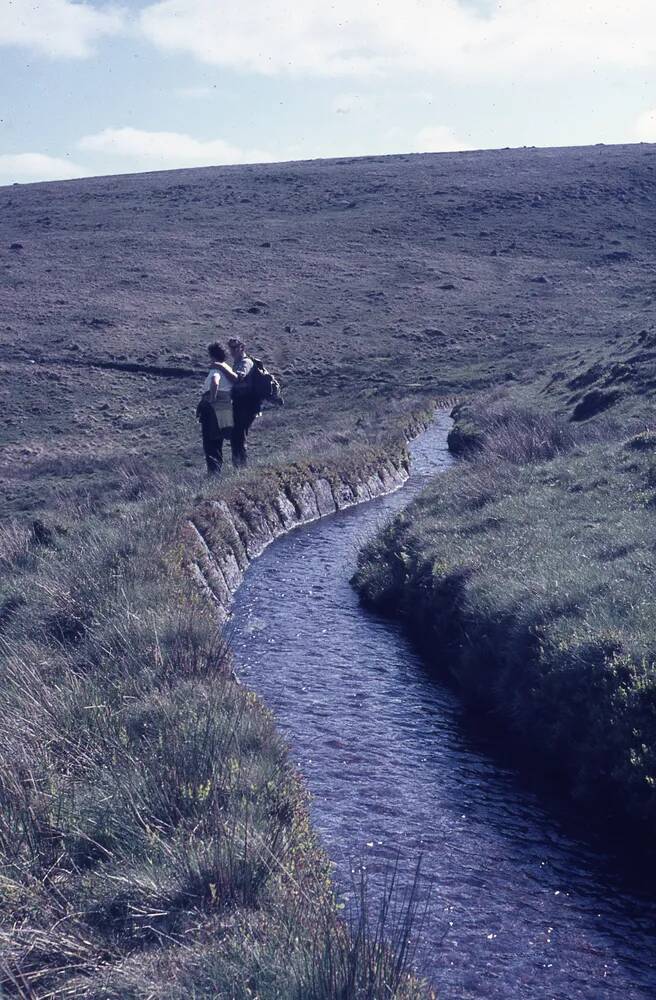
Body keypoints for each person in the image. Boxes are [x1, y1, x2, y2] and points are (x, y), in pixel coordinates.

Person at [196, 342, 236, 475]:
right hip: (224, 410)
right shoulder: (227, 368)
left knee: (210, 444)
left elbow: (215, 381)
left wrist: (212, 398)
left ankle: (214, 474)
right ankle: (216, 472)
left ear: (212, 356)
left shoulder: (216, 369)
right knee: (217, 443)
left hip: (212, 410)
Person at [220, 337, 261, 467]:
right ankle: (238, 467)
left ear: (242, 348)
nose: (232, 351)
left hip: (247, 404)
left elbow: (239, 377)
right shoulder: (237, 362)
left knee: (238, 434)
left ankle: (241, 468)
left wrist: (221, 368)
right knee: (236, 436)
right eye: (230, 348)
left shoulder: (245, 362)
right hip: (239, 404)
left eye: (235, 348)